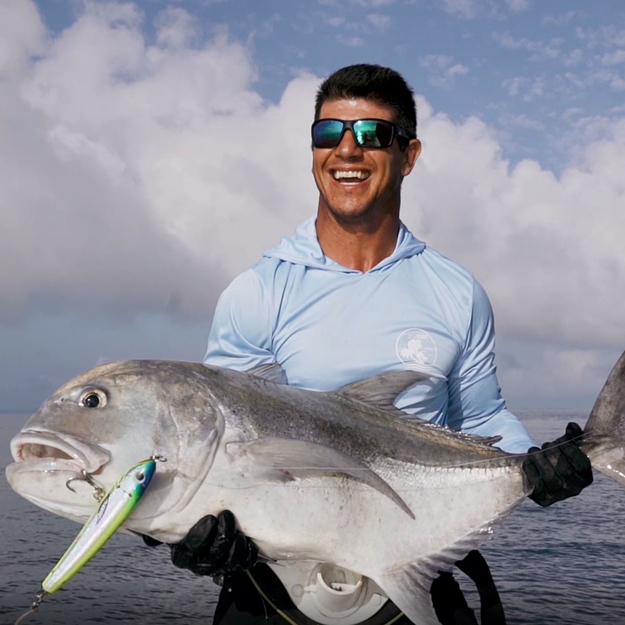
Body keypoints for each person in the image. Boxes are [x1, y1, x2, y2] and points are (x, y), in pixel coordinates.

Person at [158, 64, 593, 624]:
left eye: (372, 135)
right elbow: (219, 445)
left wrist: (536, 467)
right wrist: (184, 530)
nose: (347, 151)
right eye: (328, 133)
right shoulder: (258, 292)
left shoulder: (456, 293)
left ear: (409, 155)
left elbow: (482, 414)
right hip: (274, 596)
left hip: (410, 576)